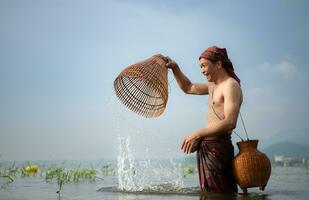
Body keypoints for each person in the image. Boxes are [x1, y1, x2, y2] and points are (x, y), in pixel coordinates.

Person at [164, 46, 243, 194]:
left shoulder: (231, 86)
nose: (202, 70)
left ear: (218, 64)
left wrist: (197, 134)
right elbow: (188, 87)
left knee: (219, 193)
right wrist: (175, 68)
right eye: (200, 66)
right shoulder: (212, 86)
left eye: (204, 65)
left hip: (219, 148)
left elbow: (230, 121)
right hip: (208, 147)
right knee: (208, 192)